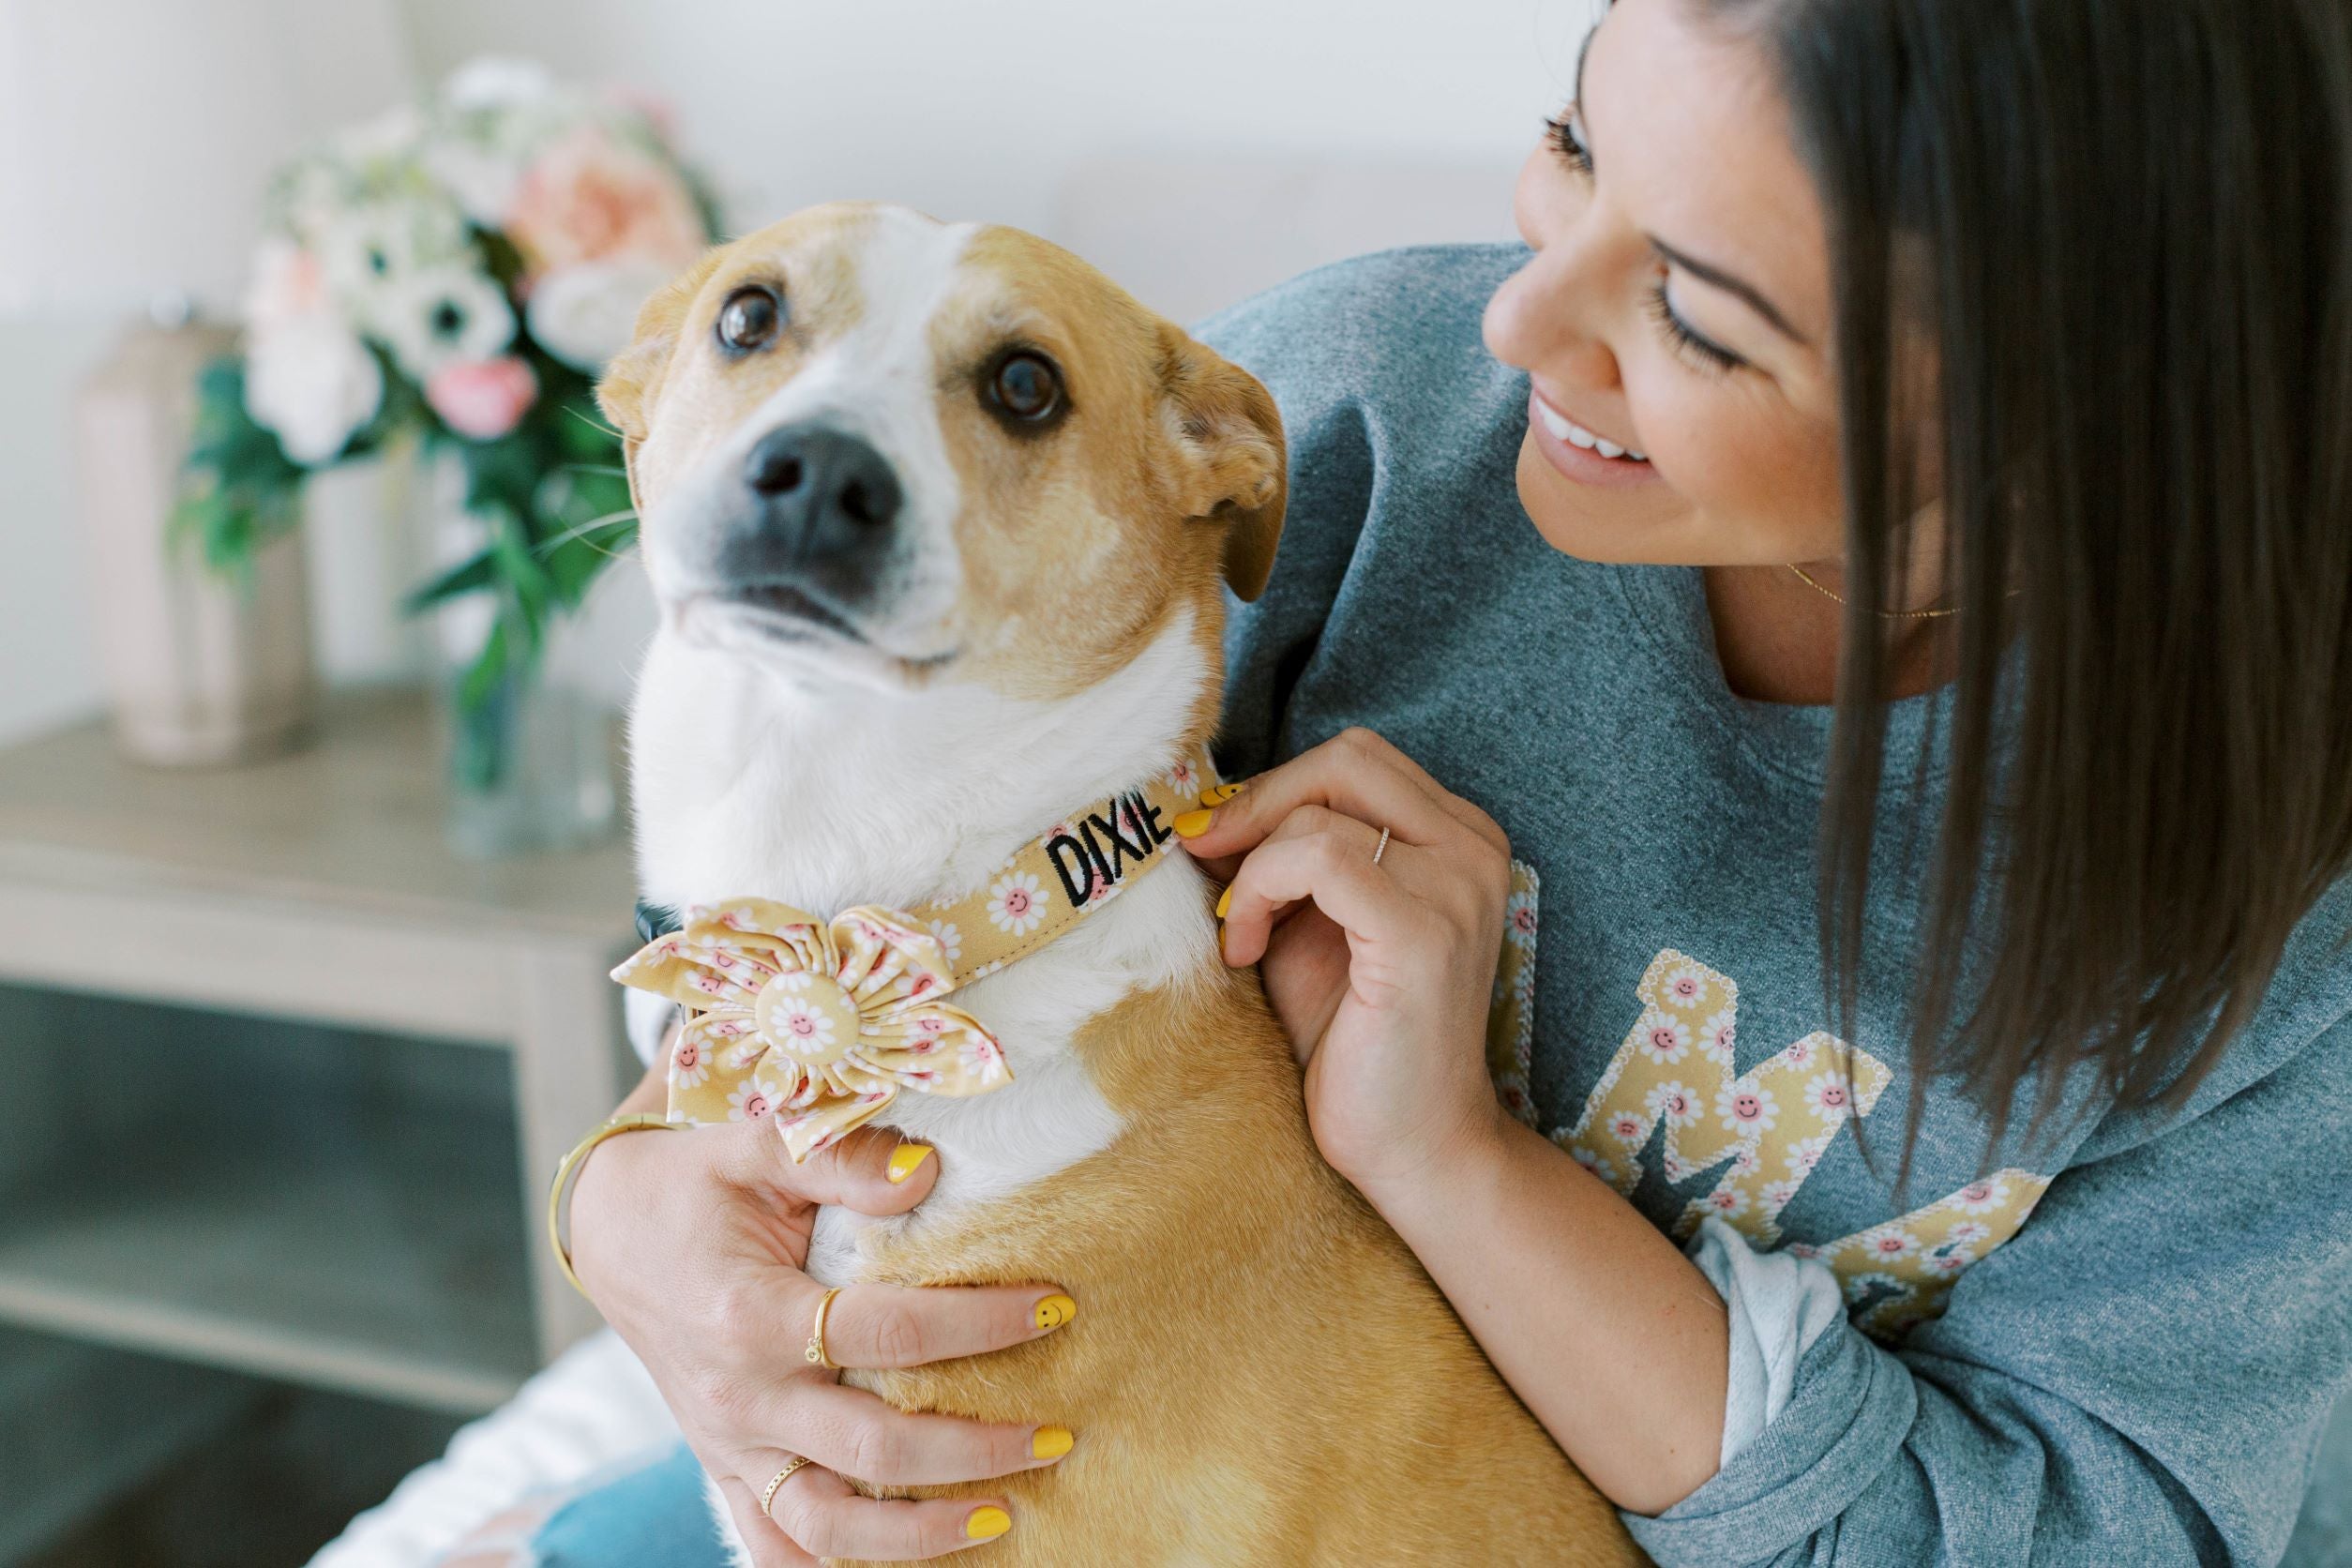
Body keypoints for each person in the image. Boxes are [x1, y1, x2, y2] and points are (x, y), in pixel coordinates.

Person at [465, 0, 2352, 1561]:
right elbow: (863, 876)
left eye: (1696, 314)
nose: (1521, 318)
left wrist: (1453, 1161)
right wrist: (634, 1190)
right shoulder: (1365, 418)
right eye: (1577, 146)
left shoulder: (2278, 921)